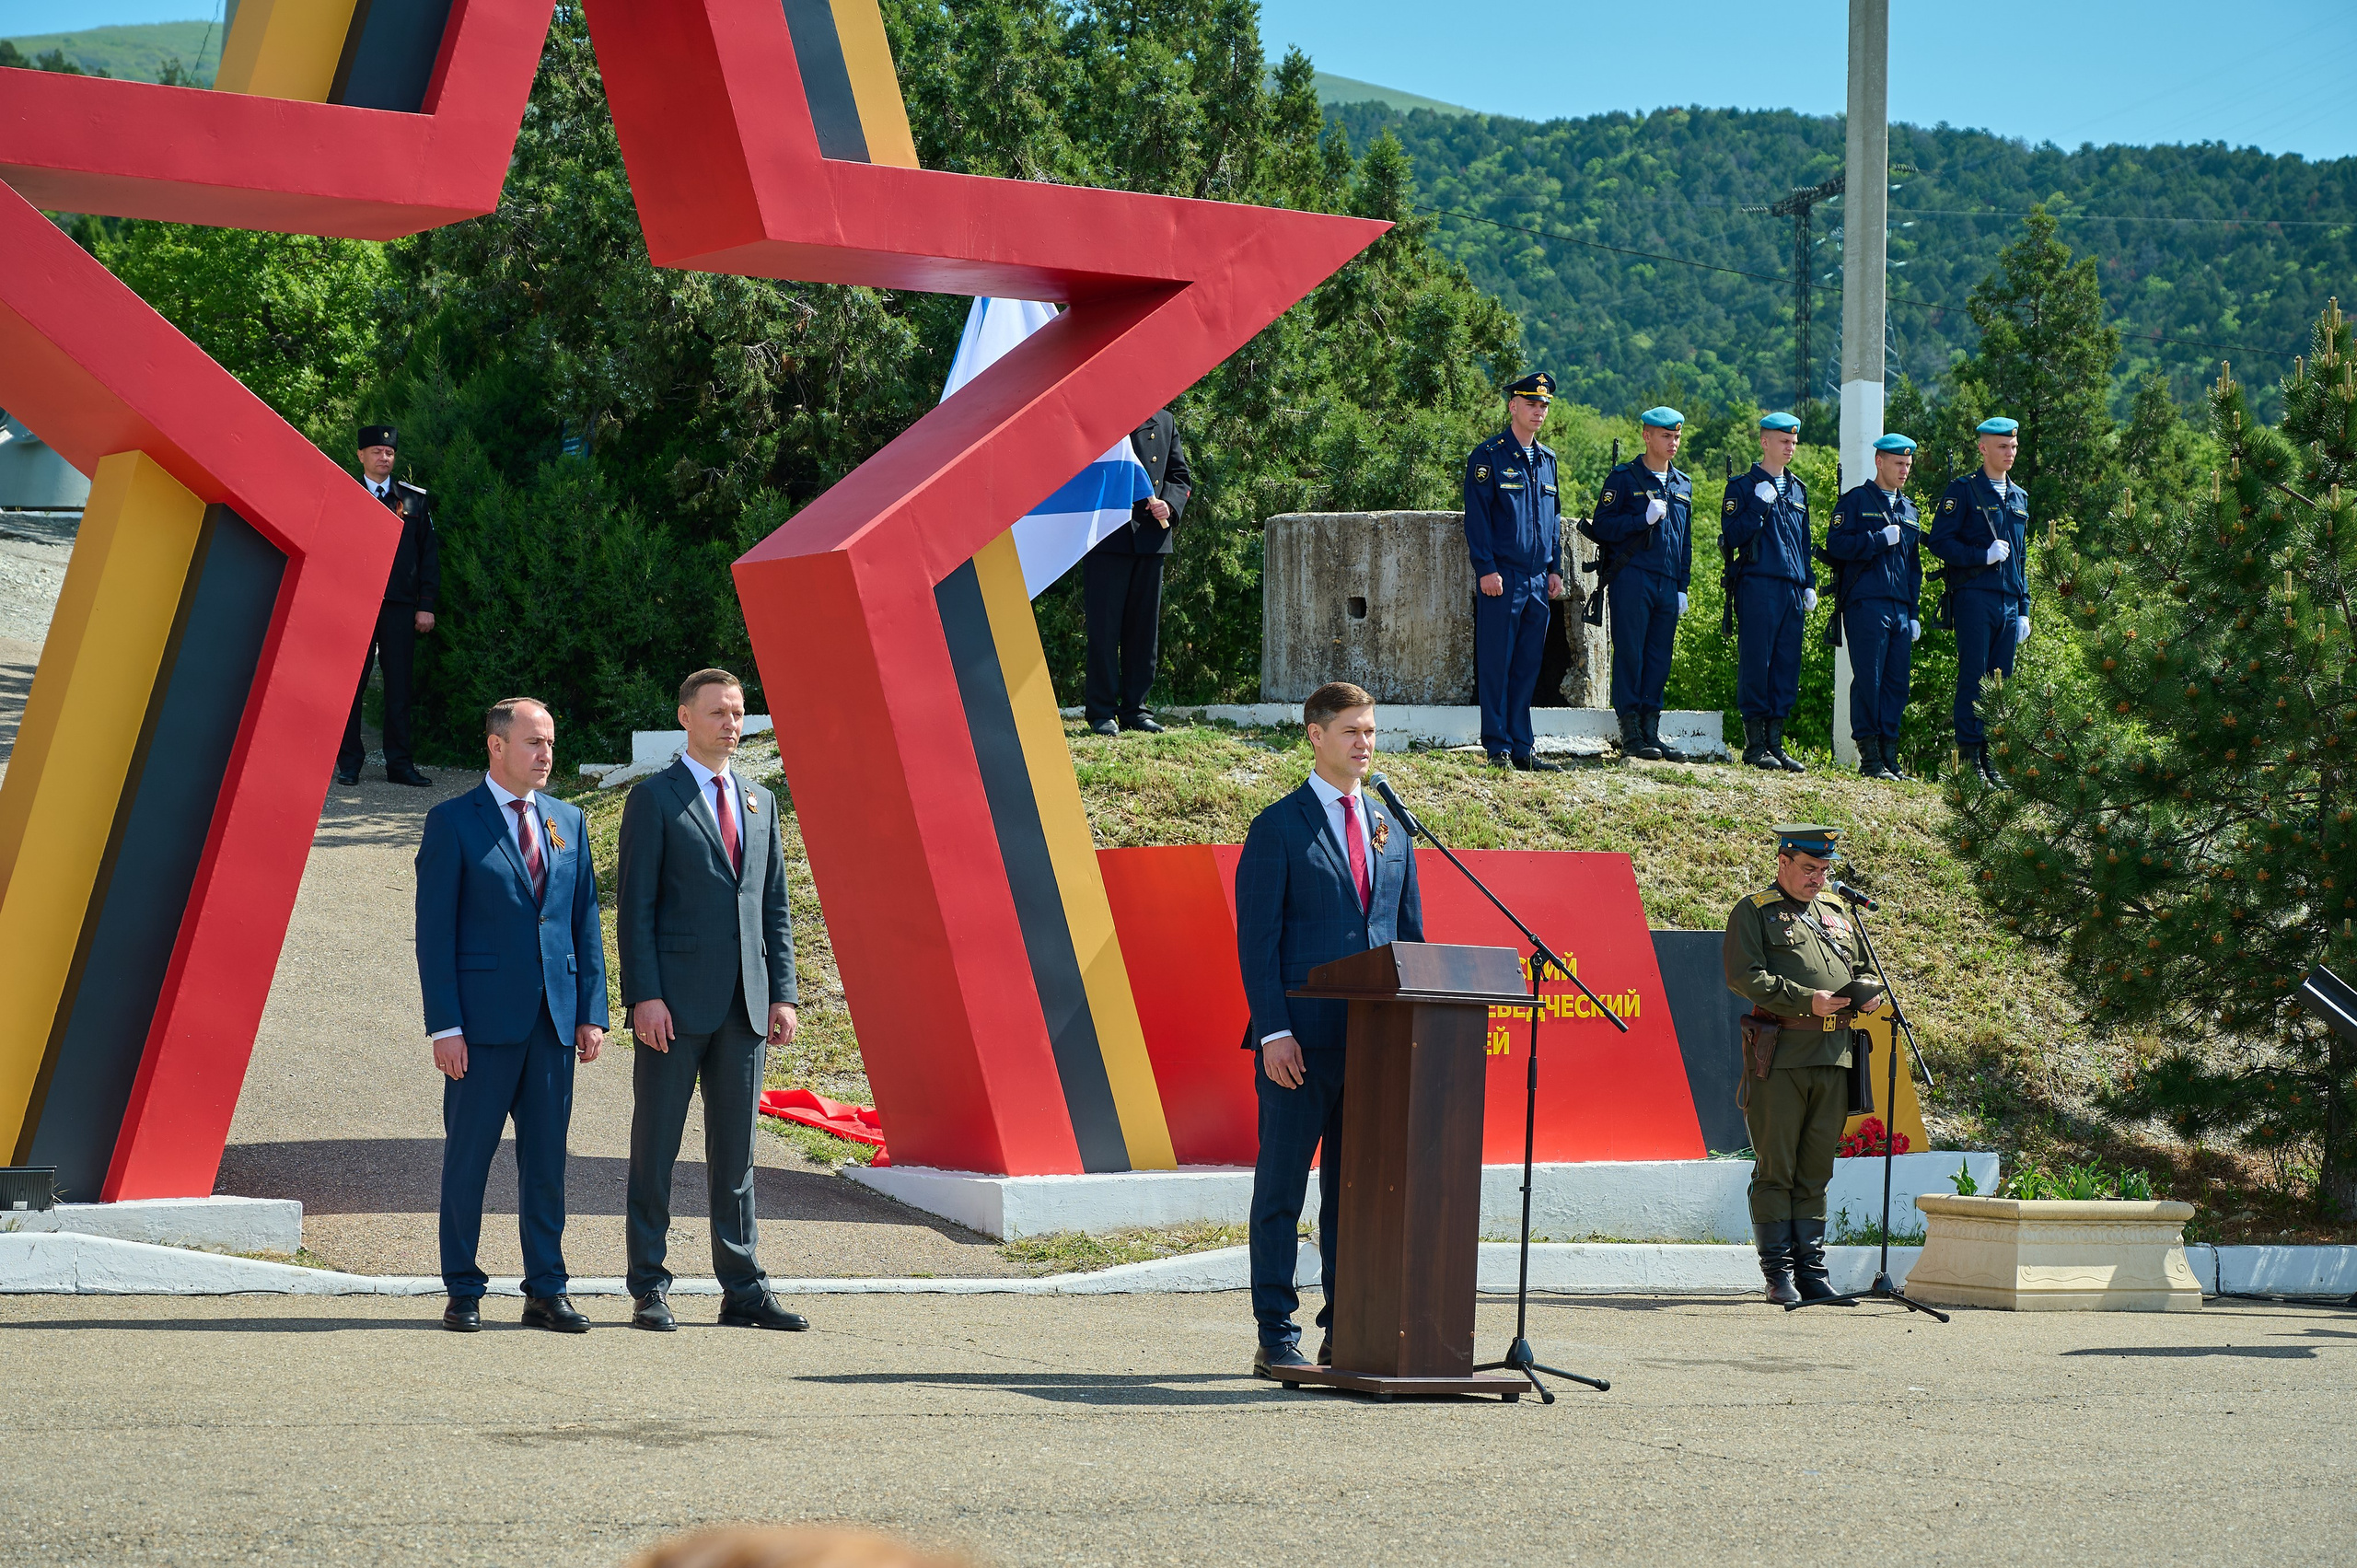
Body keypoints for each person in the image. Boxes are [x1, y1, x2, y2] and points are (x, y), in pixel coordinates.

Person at [1234, 680, 1423, 1377]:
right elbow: (1258, 944)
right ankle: (1274, 1330)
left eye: (1370, 730)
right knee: (1282, 1189)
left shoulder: (1391, 827)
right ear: (1315, 735)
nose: (1364, 742)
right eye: (1351, 729)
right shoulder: (1278, 827)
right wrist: (1274, 1031)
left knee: (1355, 1194)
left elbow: (1410, 945)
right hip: (1300, 1046)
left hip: (1372, 1046)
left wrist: (1411, 1039)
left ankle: (1347, 1326)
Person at [617, 668, 804, 1332]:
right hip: (673, 1009)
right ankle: (649, 1284)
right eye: (718, 712)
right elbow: (635, 909)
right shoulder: (655, 799)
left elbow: (773, 908)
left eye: (739, 712)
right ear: (685, 717)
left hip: (744, 1008)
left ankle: (743, 1287)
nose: (731, 723)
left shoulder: (760, 800)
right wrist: (644, 996)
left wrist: (783, 992)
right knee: (656, 1149)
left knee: (737, 1156)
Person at [414, 697, 608, 1332]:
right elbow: (434, 933)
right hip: (480, 1028)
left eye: (550, 741)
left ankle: (546, 1289)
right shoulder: (453, 822)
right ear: (496, 746)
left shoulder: (568, 821)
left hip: (553, 1024)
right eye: (533, 742)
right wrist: (444, 1025)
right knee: (469, 1158)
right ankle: (463, 1287)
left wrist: (591, 1012)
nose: (546, 753)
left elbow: (581, 922)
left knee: (548, 1162)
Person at [1722, 824, 1885, 1305]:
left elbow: (1857, 968)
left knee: (1816, 1169)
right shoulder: (1754, 911)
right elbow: (1742, 976)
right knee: (1777, 1168)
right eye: (1810, 868)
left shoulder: (1836, 911)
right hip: (1781, 1055)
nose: (1818, 878)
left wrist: (1866, 990)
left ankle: (1813, 1273)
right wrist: (1802, 1001)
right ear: (1783, 862)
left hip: (1835, 1056)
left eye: (1824, 869)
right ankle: (1778, 1276)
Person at [1461, 371, 1566, 772]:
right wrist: (1485, 567)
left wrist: (1555, 568)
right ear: (1513, 406)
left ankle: (1524, 747)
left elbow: (1552, 520)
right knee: (1496, 662)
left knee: (1527, 666)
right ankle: (1498, 745)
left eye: (1543, 406)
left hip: (1538, 579)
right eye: (1531, 404)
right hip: (1502, 576)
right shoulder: (1489, 456)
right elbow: (1479, 519)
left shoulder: (1548, 460)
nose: (1538, 411)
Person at [1928, 416, 2031, 788]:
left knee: (2001, 684)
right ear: (1983, 448)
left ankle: (1993, 759)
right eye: (2002, 447)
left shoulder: (2019, 497)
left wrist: (2024, 609)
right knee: (1974, 677)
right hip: (1974, 596)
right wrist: (1980, 555)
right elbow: (1939, 542)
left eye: (2014, 446)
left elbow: (2021, 558)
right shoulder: (1964, 491)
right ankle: (1971, 757)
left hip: (2007, 601)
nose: (2010, 453)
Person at [1590, 407, 1694, 761]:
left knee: (1658, 658)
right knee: (1631, 654)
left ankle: (1652, 730)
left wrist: (1683, 585)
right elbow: (1601, 526)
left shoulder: (1682, 484)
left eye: (1677, 436)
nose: (1673, 443)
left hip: (1667, 582)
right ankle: (1630, 731)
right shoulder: (1624, 478)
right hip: (1633, 576)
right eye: (1666, 436)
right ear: (1647, 436)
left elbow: (1685, 541)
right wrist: (1640, 519)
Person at [337, 424, 439, 788]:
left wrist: (425, 604)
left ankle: (400, 764)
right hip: (356, 605)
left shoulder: (412, 500)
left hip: (399, 606)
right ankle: (348, 763)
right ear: (361, 455)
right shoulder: (345, 495)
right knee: (351, 686)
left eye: (390, 453)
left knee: (399, 686)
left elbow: (428, 557)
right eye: (377, 452)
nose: (384, 458)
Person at [1083, 407, 1191, 736]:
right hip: (1106, 536)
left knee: (1144, 631)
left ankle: (1136, 709)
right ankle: (1101, 711)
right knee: (1104, 630)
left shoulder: (1165, 420)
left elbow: (1180, 476)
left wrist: (1169, 505)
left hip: (1150, 536)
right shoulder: (1101, 416)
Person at [1826, 433, 1924, 780]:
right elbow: (1835, 544)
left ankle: (1890, 756)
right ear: (1879, 461)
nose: (1904, 471)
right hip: (1866, 603)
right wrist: (1876, 540)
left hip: (1899, 607)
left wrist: (1913, 613)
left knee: (1897, 683)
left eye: (1908, 465)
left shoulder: (1908, 509)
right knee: (1870, 679)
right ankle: (1869, 757)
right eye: (1899, 463)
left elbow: (1914, 567)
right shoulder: (1856, 501)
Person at [1720, 411, 1815, 772]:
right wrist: (1759, 504)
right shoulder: (1743, 487)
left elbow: (1803, 542)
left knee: (1787, 664)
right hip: (1757, 583)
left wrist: (1809, 582)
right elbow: (1732, 536)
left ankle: (1776, 742)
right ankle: (1755, 743)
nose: (1790, 447)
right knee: (1757, 663)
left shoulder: (1797, 489)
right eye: (1783, 441)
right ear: (1764, 442)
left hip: (1791, 588)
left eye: (1793, 441)